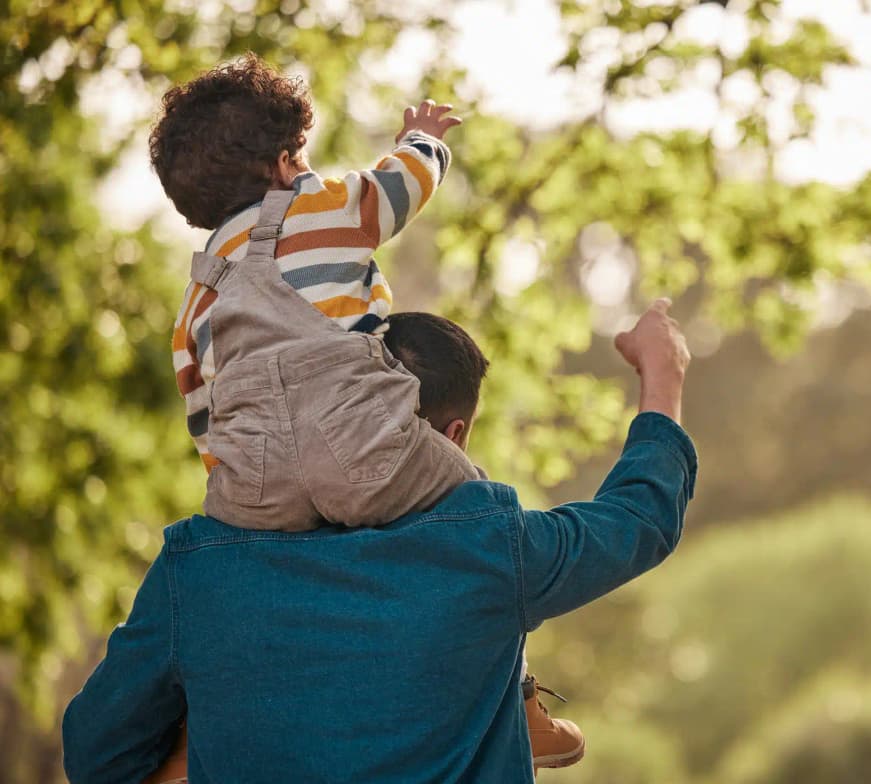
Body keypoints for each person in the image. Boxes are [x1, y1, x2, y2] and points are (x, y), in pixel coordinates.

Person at [63, 299, 696, 783]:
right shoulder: (487, 548)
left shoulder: (199, 570)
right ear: (452, 437)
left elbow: (97, 754)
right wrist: (662, 376)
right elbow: (638, 520)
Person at [141, 313, 587, 782]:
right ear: (453, 433)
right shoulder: (345, 273)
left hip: (249, 471)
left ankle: (195, 723)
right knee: (488, 528)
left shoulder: (207, 306)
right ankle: (521, 697)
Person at [154, 53, 477, 531]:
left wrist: (241, 486)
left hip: (260, 491)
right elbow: (403, 185)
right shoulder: (326, 209)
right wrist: (423, 139)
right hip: (361, 443)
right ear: (285, 165)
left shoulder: (195, 299)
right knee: (473, 496)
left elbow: (202, 414)